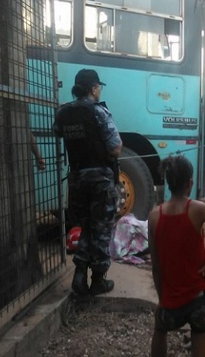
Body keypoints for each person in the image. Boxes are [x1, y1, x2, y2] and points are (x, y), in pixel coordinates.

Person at [148, 155, 205, 357]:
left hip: (170, 303)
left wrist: (163, 299)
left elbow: (156, 266)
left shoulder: (155, 216)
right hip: (200, 300)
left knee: (160, 328)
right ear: (189, 184)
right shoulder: (199, 210)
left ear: (168, 182)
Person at [53, 69, 122, 295]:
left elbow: (59, 134)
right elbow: (115, 147)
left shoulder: (63, 113)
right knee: (101, 229)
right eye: (98, 86)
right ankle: (98, 279)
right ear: (93, 88)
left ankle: (79, 276)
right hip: (100, 180)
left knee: (86, 228)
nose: (100, 90)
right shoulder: (99, 112)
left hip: (77, 179)